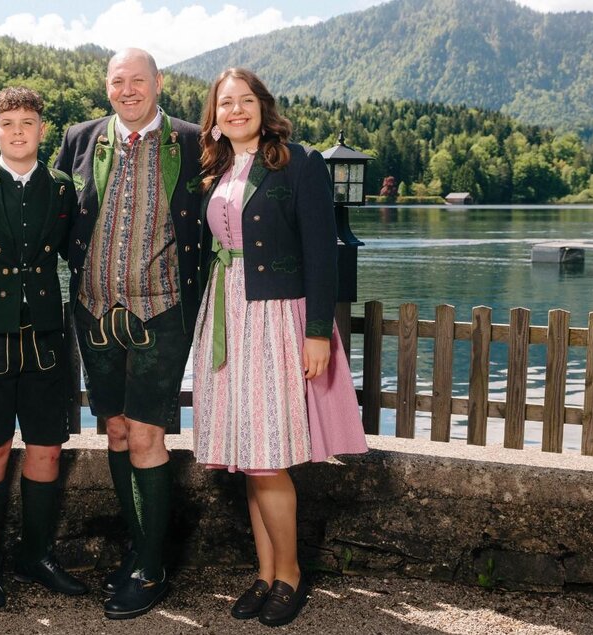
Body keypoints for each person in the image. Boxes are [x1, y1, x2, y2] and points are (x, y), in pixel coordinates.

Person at [191, 68, 368, 627]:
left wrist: (319, 332)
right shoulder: (217, 168)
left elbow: (323, 252)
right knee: (249, 457)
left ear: (264, 109)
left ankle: (290, 574)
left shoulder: (299, 163)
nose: (236, 110)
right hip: (226, 311)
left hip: (275, 317)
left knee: (267, 457)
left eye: (246, 101)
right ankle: (264, 572)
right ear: (214, 117)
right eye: (226, 103)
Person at [53, 48, 204, 620]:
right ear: (107, 87)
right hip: (93, 309)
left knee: (145, 435)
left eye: (138, 80)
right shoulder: (82, 137)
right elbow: (60, 208)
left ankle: (151, 565)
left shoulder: (191, 141)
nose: (129, 90)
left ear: (159, 83)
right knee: (114, 429)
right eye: (119, 81)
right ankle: (137, 550)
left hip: (161, 310)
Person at [0, 87, 87, 609]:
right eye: (8, 122)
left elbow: (79, 255)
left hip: (48, 338)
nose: (19, 130)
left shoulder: (65, 188)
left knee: (48, 445)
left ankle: (37, 555)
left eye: (29, 121)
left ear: (43, 130)